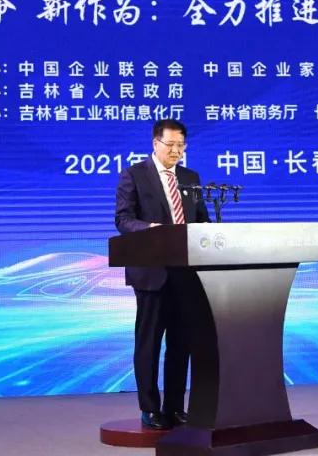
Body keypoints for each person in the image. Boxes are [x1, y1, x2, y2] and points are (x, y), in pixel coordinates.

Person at [115, 118, 210, 430]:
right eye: (170, 145)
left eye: (181, 146)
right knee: (149, 344)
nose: (176, 151)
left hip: (187, 274)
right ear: (155, 143)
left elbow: (202, 221)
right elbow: (123, 220)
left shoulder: (190, 178)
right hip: (152, 274)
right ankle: (150, 408)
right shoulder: (134, 174)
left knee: (181, 344)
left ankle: (175, 407)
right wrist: (151, 229)